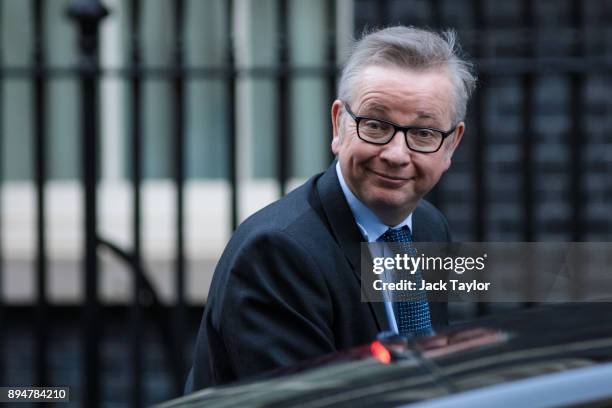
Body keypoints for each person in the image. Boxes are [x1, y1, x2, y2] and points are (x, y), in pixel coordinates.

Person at [186, 25, 476, 391]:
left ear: (451, 145)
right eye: (375, 125)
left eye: (423, 133)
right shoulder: (277, 253)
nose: (396, 155)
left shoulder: (429, 227)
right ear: (339, 125)